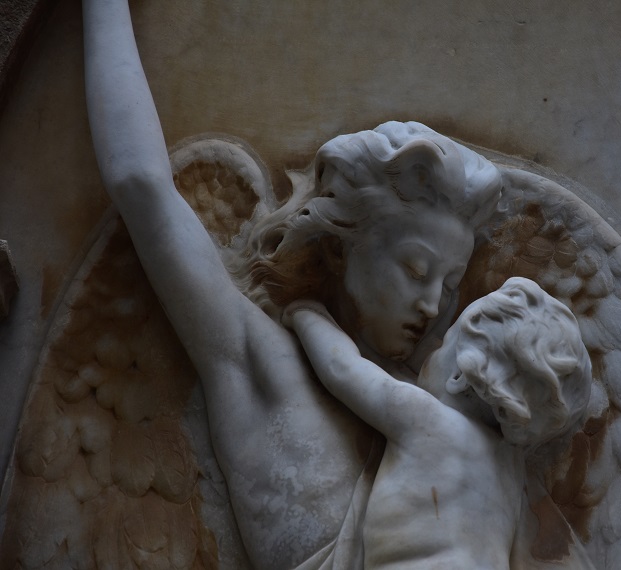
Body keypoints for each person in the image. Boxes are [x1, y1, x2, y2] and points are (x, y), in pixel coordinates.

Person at [82, 1, 501, 568]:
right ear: (340, 247)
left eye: (450, 285)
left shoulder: (440, 417)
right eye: (416, 270)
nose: (432, 305)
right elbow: (141, 185)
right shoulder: (262, 358)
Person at [287, 277, 593, 569]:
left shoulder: (424, 418)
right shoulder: (511, 467)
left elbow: (341, 367)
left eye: (443, 343)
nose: (427, 353)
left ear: (458, 376)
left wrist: (304, 313)